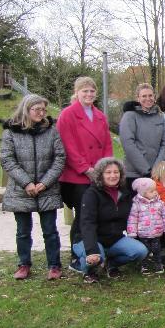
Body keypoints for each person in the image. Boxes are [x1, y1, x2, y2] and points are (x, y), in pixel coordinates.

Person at [1, 94, 66, 280]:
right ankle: (23, 264)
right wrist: (26, 182)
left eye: (44, 109)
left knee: (50, 231)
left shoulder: (51, 131)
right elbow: (7, 159)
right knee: (23, 231)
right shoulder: (10, 132)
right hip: (21, 190)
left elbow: (59, 158)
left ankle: (54, 265)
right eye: (37, 109)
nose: (41, 113)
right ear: (26, 110)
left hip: (47, 188)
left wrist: (45, 182)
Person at [56, 76, 113, 265]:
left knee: (95, 214)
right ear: (77, 92)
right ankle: (78, 253)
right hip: (76, 177)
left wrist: (105, 167)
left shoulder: (100, 116)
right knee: (83, 217)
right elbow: (68, 146)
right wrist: (86, 169)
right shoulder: (68, 114)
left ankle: (94, 251)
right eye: (84, 91)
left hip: (97, 174)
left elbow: (107, 144)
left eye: (91, 91)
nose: (89, 94)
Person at [73, 158, 150, 283]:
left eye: (116, 172)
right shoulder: (91, 194)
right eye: (108, 172)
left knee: (141, 251)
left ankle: (111, 264)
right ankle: (87, 269)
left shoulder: (125, 192)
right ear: (100, 175)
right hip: (91, 239)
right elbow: (87, 223)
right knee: (96, 257)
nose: (113, 175)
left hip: (115, 239)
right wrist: (92, 250)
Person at [119, 83, 165, 190]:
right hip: (134, 173)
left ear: (154, 97)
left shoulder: (160, 116)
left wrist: (156, 168)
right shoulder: (130, 115)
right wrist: (146, 169)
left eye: (150, 95)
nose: (148, 98)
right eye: (144, 96)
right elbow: (128, 143)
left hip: (156, 173)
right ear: (138, 98)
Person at [126, 177, 165, 275]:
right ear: (143, 193)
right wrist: (132, 232)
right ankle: (144, 265)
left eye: (155, 190)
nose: (155, 192)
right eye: (151, 191)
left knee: (157, 250)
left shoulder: (160, 203)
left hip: (156, 232)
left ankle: (158, 264)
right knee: (145, 251)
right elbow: (132, 219)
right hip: (143, 233)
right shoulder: (137, 205)